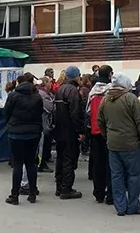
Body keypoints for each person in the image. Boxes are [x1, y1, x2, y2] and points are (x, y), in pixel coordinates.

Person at [97, 73, 140, 216]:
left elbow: (99, 121)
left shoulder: (106, 99)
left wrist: (107, 135)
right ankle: (133, 205)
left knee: (116, 175)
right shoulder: (130, 98)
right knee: (133, 175)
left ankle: (120, 206)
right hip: (131, 143)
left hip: (112, 143)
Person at [3, 77, 44, 205]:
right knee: (31, 163)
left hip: (16, 133)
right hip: (33, 133)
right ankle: (32, 193)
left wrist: (11, 124)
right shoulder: (37, 97)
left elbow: (6, 112)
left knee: (18, 164)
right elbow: (40, 113)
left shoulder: (14, 95)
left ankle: (14, 195)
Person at [53, 66, 85, 199]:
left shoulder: (60, 89)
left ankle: (59, 187)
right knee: (68, 159)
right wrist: (80, 130)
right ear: (77, 76)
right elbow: (75, 112)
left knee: (60, 158)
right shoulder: (72, 91)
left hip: (59, 129)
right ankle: (67, 188)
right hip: (69, 130)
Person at [88, 65, 114, 205]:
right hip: (109, 130)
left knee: (98, 163)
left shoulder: (92, 91)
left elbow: (87, 111)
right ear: (110, 74)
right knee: (111, 164)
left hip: (95, 130)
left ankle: (98, 193)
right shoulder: (111, 91)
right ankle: (111, 194)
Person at [37, 77, 55, 173]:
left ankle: (42, 162)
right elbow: (50, 108)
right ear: (45, 83)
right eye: (49, 83)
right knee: (42, 146)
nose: (51, 84)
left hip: (44, 123)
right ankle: (41, 164)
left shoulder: (47, 94)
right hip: (44, 123)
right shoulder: (43, 95)